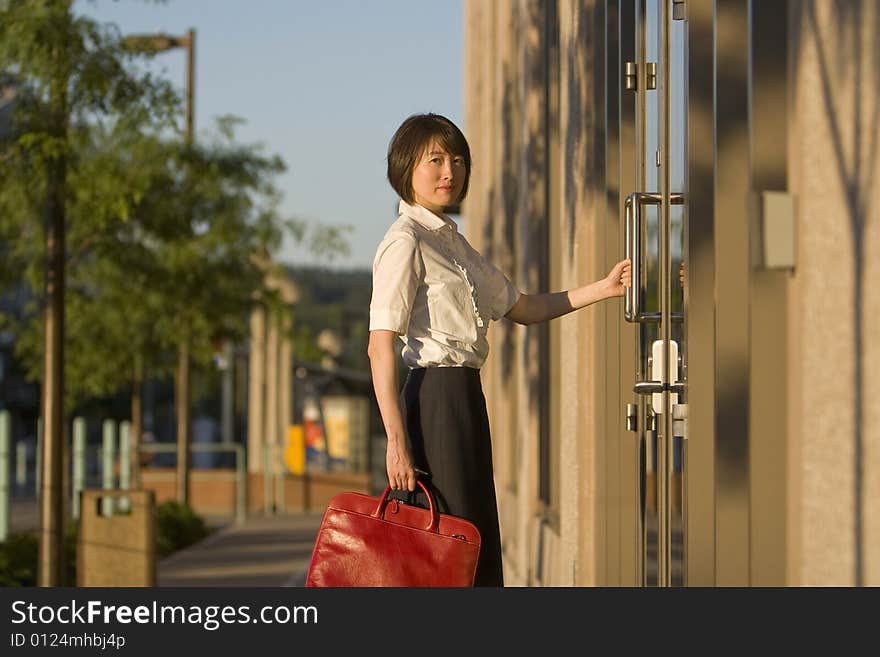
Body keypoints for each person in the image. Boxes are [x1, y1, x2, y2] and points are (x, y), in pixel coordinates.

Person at [367, 113, 631, 586]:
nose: (450, 171)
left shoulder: (452, 244)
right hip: (433, 402)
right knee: (445, 543)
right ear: (407, 168)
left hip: (465, 397)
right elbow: (379, 346)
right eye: (436, 160)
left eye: (458, 160)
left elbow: (524, 307)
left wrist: (604, 289)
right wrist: (396, 443)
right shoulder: (404, 242)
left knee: (474, 537)